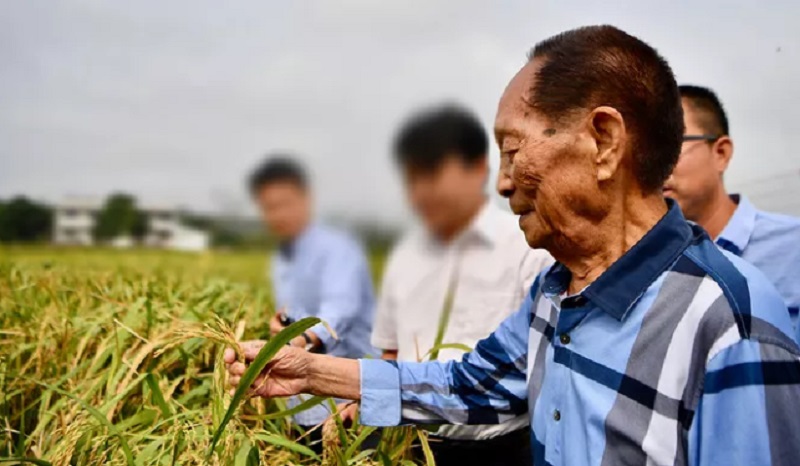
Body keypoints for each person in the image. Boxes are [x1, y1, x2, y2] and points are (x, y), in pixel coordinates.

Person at [229, 26, 800, 466]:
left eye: (513, 150)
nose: (503, 183)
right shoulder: (556, 293)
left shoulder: (731, 326)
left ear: (603, 142)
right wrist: (309, 372)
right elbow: (469, 384)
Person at [338, 104, 552, 465]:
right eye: (412, 179)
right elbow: (390, 351)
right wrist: (359, 399)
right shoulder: (404, 256)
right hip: (409, 445)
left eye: (433, 174)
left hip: (500, 448)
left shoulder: (528, 248)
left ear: (479, 169)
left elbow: (541, 372)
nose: (421, 191)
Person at [247, 155, 377, 446]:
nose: (278, 215)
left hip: (347, 405)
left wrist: (297, 339)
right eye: (269, 208)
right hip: (303, 406)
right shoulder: (283, 258)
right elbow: (296, 312)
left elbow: (338, 312)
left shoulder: (337, 250)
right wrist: (281, 325)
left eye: (285, 204)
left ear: (306, 199)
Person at [664, 85, 800, 333]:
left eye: (670, 145)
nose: (656, 165)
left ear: (721, 153)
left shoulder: (793, 248)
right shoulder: (650, 265)